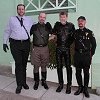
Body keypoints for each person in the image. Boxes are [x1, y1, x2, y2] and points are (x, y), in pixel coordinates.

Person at [3, 4, 33, 94]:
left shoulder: (29, 20)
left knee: (24, 64)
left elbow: (37, 26)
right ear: (17, 10)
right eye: (19, 9)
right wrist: (4, 42)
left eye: (22, 9)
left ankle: (23, 82)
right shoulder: (12, 19)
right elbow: (7, 31)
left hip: (26, 44)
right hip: (15, 44)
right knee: (18, 64)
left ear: (24, 10)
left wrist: (45, 24)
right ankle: (19, 84)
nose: (21, 10)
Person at [52, 11, 75, 94]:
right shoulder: (57, 25)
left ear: (66, 17)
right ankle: (60, 84)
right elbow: (53, 34)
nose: (62, 18)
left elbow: (73, 37)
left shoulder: (71, 26)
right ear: (59, 17)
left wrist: (68, 44)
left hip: (67, 49)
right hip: (58, 49)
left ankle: (69, 85)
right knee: (59, 67)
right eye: (61, 17)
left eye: (64, 17)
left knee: (68, 67)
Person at [74, 16, 96, 98]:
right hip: (77, 55)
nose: (80, 22)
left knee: (86, 73)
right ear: (78, 22)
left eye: (82, 21)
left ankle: (85, 89)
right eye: (79, 21)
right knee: (78, 72)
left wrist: (90, 54)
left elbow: (94, 45)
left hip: (86, 55)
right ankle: (80, 87)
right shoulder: (75, 32)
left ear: (85, 22)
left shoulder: (89, 32)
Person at [30, 12, 52, 90]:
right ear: (38, 17)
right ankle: (36, 82)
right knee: (36, 66)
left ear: (45, 18)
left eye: (44, 17)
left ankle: (44, 81)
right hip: (36, 49)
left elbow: (54, 34)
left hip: (45, 48)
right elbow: (27, 35)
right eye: (41, 17)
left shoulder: (47, 26)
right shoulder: (34, 27)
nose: (42, 18)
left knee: (44, 65)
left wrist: (47, 40)